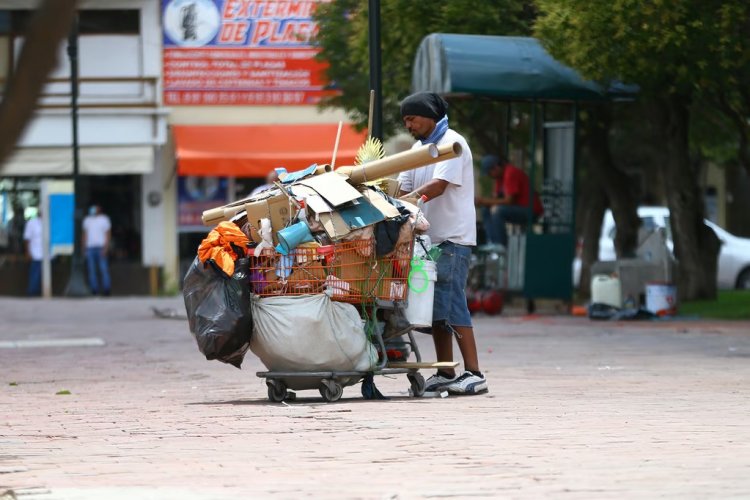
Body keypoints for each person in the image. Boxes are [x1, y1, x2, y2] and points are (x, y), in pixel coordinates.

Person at [397, 91, 488, 395]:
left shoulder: (452, 142)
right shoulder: (417, 149)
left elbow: (437, 186)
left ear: (429, 116)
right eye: (405, 120)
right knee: (436, 308)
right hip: (427, 240)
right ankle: (446, 371)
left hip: (453, 238)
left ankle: (474, 373)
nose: (408, 124)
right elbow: (404, 187)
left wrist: (408, 201)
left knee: (452, 303)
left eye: (412, 118)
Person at [476, 154, 544, 247]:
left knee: (498, 210)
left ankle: (501, 245)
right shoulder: (499, 178)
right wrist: (483, 202)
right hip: (516, 209)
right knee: (486, 209)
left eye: (489, 172)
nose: (489, 176)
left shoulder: (510, 172)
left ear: (496, 167)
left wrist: (485, 201)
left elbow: (509, 201)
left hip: (530, 211)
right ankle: (492, 242)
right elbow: (495, 199)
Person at [83, 204, 112, 296]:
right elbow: (84, 235)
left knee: (103, 270)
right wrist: (84, 248)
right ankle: (94, 290)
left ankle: (106, 290)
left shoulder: (104, 219)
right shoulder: (87, 220)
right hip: (90, 248)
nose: (93, 210)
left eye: (95, 208)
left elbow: (108, 234)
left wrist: (106, 247)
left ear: (99, 209)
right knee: (92, 271)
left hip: (101, 248)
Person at [23, 210, 42, 296]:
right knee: (34, 275)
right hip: (35, 254)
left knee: (43, 277)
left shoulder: (51, 221)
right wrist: (27, 252)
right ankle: (32, 293)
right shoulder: (31, 223)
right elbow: (27, 239)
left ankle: (39, 293)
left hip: (48, 256)